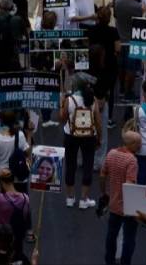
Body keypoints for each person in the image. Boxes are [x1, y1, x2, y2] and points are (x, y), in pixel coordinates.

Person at [102, 131, 141, 265]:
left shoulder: (111, 153)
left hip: (113, 204)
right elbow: (129, 185)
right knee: (129, 238)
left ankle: (109, 261)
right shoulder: (132, 160)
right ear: (132, 144)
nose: (141, 145)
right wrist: (133, 208)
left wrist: (104, 193)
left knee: (111, 235)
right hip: (127, 207)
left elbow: (102, 175)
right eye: (139, 143)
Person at [60, 77, 99, 208]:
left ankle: (70, 198)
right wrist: (99, 138)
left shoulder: (69, 100)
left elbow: (63, 119)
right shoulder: (93, 100)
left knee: (70, 164)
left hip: (71, 135)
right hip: (89, 136)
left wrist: (62, 104)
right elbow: (98, 122)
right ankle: (84, 199)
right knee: (88, 165)